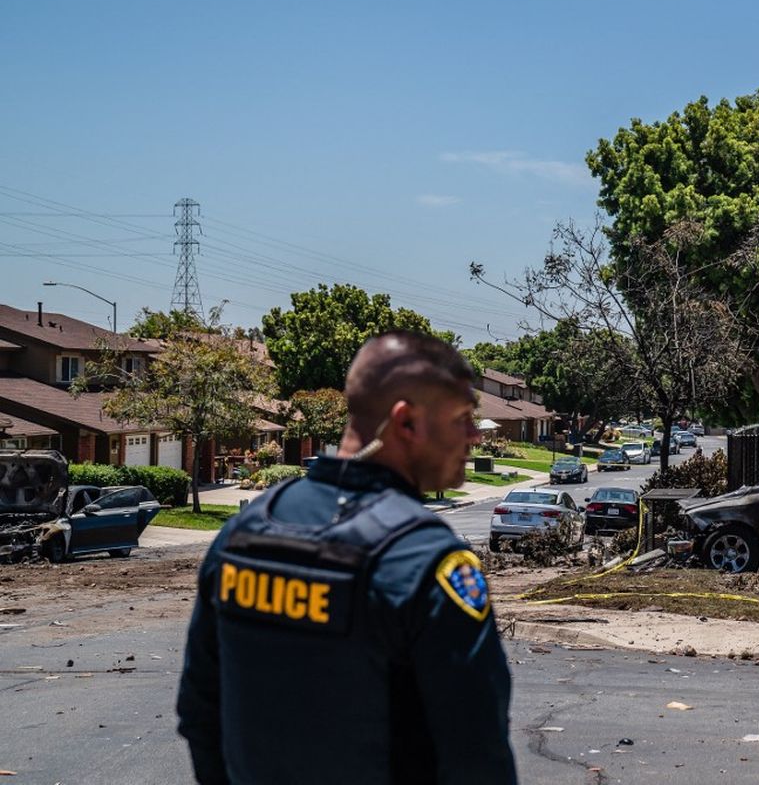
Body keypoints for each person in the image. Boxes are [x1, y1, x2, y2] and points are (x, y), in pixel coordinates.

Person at [177, 331, 517, 785]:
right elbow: (476, 754)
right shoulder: (425, 559)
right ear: (407, 422)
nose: (475, 435)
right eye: (461, 418)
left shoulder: (246, 531)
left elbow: (201, 710)